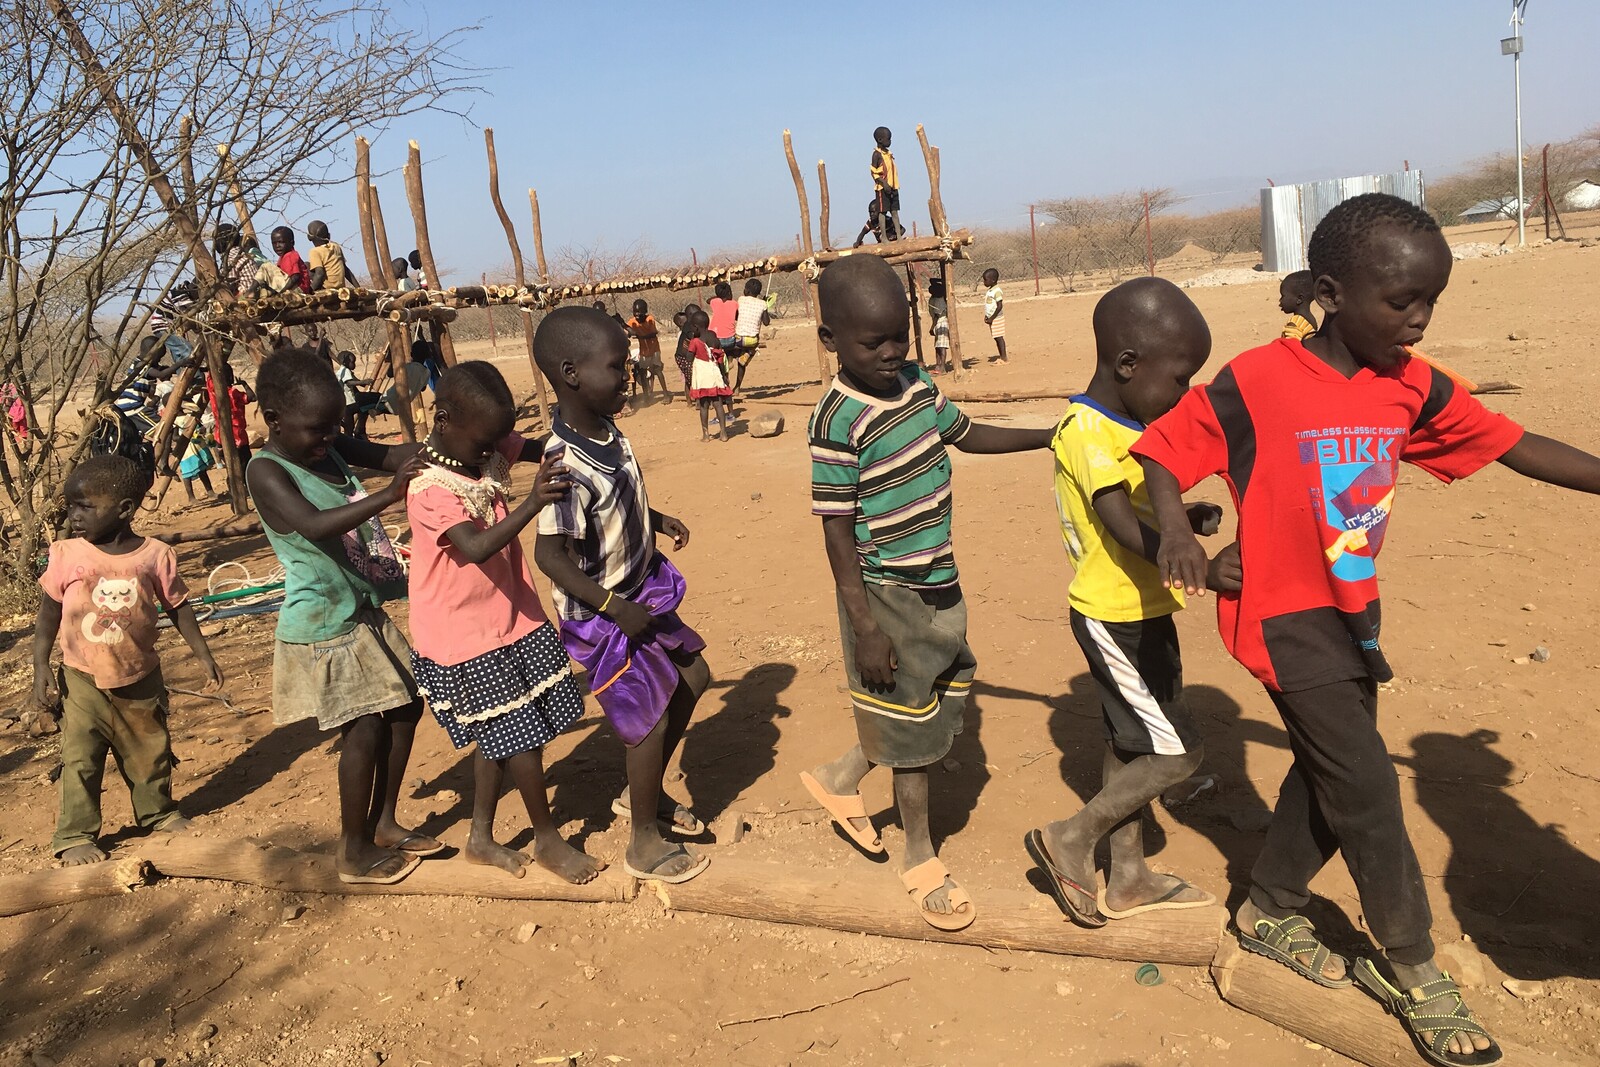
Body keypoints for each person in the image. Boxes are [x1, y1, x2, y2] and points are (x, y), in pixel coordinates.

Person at [1136, 192, 1600, 1067]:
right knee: (1368, 785)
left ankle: (1269, 904)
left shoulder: (1410, 387)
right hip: (1280, 614)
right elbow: (1164, 446)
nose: (1418, 320)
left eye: (1432, 301)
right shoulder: (1260, 379)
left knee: (1330, 768)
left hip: (1353, 612)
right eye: (1401, 302)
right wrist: (1172, 530)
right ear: (1331, 292)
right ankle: (1413, 963)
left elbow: (1512, 442)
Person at [801, 254, 1052, 931]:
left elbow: (967, 435)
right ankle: (920, 854)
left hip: (937, 573)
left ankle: (839, 774)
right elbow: (836, 531)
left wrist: (1048, 436)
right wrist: (865, 624)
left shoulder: (915, 384)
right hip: (884, 587)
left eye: (898, 337)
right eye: (870, 343)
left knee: (939, 690)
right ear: (831, 342)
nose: (889, 353)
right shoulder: (835, 418)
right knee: (912, 724)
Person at [1025, 278, 1229, 929]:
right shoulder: (1085, 430)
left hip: (1144, 609)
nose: (1185, 393)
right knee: (1180, 753)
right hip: (1111, 615)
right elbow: (1117, 524)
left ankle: (1130, 874)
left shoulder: (1126, 423)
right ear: (1127, 365)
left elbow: (1138, 507)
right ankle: (1072, 837)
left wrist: (1183, 518)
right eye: (1179, 377)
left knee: (1130, 740)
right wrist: (1196, 562)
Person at [532, 306, 713, 885]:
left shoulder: (609, 430)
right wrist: (612, 608)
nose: (628, 373)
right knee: (650, 720)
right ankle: (642, 841)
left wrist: (655, 518)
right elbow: (550, 556)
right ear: (571, 373)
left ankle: (648, 793)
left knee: (694, 678)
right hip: (603, 613)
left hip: (641, 589)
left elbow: (617, 504)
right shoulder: (564, 465)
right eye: (616, 365)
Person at [245, 347, 440, 885]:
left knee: (405, 711)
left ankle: (382, 823)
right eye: (317, 429)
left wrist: (452, 441)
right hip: (325, 623)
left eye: (336, 426)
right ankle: (352, 850)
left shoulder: (325, 445)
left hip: (362, 609)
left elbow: (391, 452)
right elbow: (314, 526)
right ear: (274, 420)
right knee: (365, 729)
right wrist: (390, 494)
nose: (330, 437)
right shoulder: (266, 470)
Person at [406, 362, 605, 884]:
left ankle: (479, 836)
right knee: (517, 736)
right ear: (445, 420)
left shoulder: (484, 446)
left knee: (508, 731)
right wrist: (534, 500)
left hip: (511, 613)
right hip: (463, 634)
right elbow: (473, 547)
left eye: (501, 439)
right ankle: (546, 839)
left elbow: (543, 448)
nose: (497, 451)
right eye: (486, 443)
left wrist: (582, 431)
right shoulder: (428, 486)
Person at [28, 455, 223, 865]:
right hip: (81, 677)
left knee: (149, 750)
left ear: (125, 510)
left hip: (140, 675)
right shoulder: (66, 553)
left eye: (85, 507)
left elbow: (179, 606)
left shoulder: (155, 555)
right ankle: (75, 834)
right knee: (80, 757)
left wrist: (203, 654)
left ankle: (157, 813)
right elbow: (48, 614)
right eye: (71, 506)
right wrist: (40, 665)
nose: (74, 516)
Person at [686, 309, 734, 443]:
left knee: (703, 405)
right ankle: (723, 433)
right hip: (715, 372)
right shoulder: (714, 338)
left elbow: (689, 358)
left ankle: (706, 435)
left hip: (702, 376)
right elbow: (719, 358)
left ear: (695, 327)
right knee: (718, 404)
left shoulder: (695, 341)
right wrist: (724, 375)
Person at [729, 278, 771, 394]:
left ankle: (730, 358)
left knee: (730, 349)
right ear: (758, 293)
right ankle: (737, 387)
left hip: (738, 339)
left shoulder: (741, 300)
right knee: (746, 355)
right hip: (751, 341)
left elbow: (736, 316)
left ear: (746, 290)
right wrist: (765, 306)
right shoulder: (762, 304)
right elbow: (767, 322)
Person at [207, 370, 256, 467]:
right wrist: (244, 384)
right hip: (238, 436)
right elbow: (252, 397)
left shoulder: (213, 392)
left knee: (231, 465)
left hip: (221, 436)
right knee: (244, 465)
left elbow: (209, 377)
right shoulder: (233, 392)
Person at [626, 299, 670, 403]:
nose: (637, 314)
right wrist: (624, 326)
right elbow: (628, 331)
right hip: (644, 352)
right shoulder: (632, 322)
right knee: (642, 372)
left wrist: (638, 335)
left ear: (645, 311)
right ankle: (646, 396)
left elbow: (653, 334)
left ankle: (665, 394)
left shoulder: (650, 319)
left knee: (657, 370)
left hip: (654, 350)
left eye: (639, 312)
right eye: (635, 312)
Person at [869, 126, 902, 241]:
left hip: (893, 186)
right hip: (882, 188)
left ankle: (898, 235)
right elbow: (874, 173)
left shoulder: (888, 153)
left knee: (894, 211)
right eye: (888, 139)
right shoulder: (876, 155)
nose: (890, 141)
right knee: (882, 212)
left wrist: (891, 185)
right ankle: (884, 237)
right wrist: (884, 184)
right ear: (880, 140)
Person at [306, 221, 356, 291]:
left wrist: (310, 291)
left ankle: (313, 289)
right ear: (329, 235)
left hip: (326, 288)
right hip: (340, 287)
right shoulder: (336, 247)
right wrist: (358, 287)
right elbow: (345, 269)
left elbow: (320, 274)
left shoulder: (315, 251)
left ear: (309, 237)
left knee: (306, 265)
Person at [1278, 270, 1317, 340]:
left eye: (1283, 296)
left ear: (1299, 299)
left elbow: (1291, 347)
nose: (1280, 301)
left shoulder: (1294, 324)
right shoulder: (1310, 320)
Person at [272, 227, 312, 294]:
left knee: (265, 267)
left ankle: (251, 292)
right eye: (274, 243)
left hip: (298, 288)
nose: (277, 246)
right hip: (294, 287)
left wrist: (282, 291)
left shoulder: (291, 255)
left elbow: (295, 277)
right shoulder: (282, 257)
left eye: (281, 242)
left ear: (292, 243)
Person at [926, 277, 952, 375]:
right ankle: (938, 365)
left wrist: (932, 327)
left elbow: (936, 316)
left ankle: (942, 367)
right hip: (938, 323)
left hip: (941, 323)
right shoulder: (935, 298)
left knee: (942, 346)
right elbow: (932, 280)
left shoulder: (938, 300)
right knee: (938, 346)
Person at [982, 268, 1007, 364]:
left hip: (997, 318)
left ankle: (1004, 358)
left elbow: (999, 305)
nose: (984, 282)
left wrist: (992, 318)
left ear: (992, 280)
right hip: (992, 318)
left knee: (999, 337)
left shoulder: (997, 291)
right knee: (996, 337)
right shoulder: (990, 291)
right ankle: (1002, 356)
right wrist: (987, 316)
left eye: (985, 280)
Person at [707, 283, 739, 354]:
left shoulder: (714, 302)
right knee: (729, 350)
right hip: (731, 340)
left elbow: (708, 300)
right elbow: (737, 317)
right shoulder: (734, 303)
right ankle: (729, 357)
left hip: (716, 340)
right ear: (729, 293)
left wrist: (718, 297)